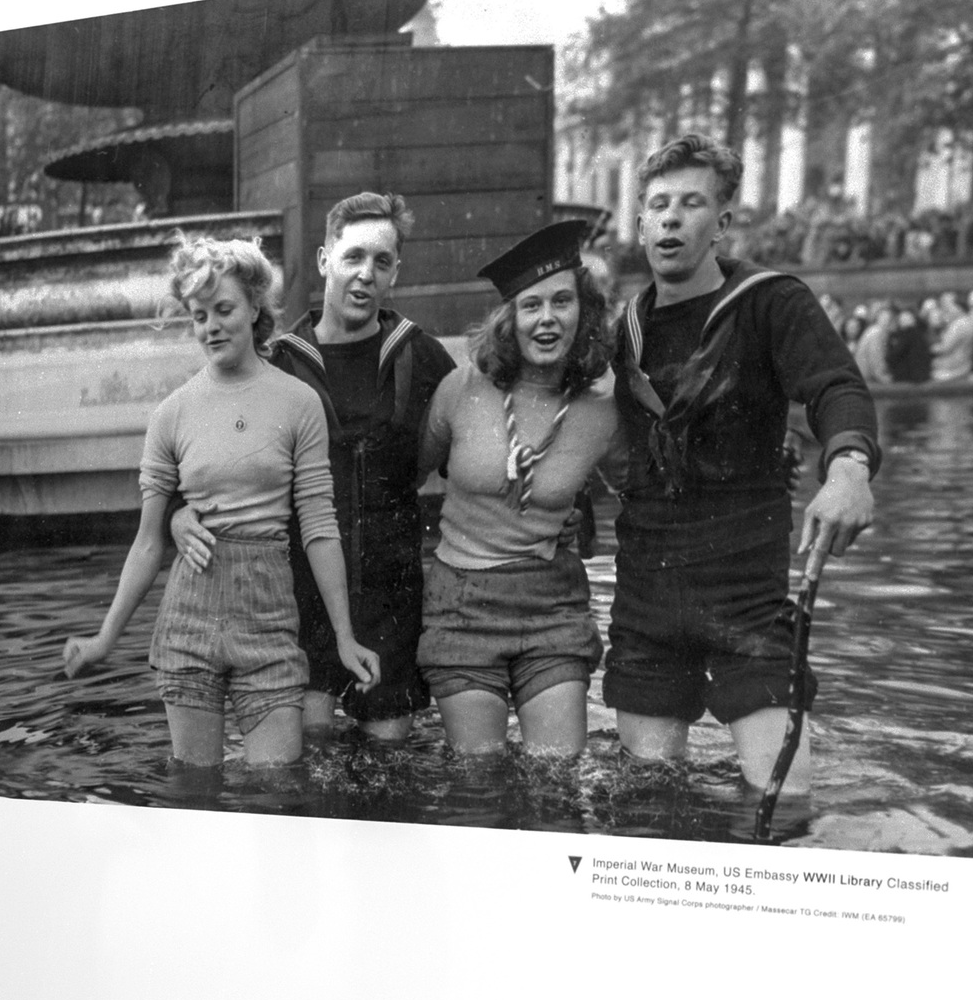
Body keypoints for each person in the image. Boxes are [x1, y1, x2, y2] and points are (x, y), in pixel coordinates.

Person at [602, 133, 880, 794]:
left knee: (785, 799)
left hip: (746, 591)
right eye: (659, 204)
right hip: (647, 588)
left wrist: (848, 470)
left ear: (722, 222)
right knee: (647, 806)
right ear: (641, 222)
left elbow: (837, 387)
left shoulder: (771, 303)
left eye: (691, 204)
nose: (671, 217)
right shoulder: (624, 332)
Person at [61, 235, 377, 767]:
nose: (210, 326)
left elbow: (320, 526)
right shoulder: (171, 413)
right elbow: (147, 543)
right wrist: (103, 638)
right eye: (198, 315)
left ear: (255, 306)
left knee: (277, 791)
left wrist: (345, 637)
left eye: (224, 309)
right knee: (193, 791)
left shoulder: (299, 402)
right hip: (189, 616)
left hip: (270, 617)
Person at [416, 221, 623, 755]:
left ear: (585, 310)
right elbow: (405, 482)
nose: (548, 319)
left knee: (557, 779)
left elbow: (642, 491)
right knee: (479, 781)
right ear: (510, 319)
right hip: (462, 603)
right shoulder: (460, 390)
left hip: (551, 603)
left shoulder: (604, 408)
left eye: (562, 302)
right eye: (531, 306)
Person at [262, 191, 458, 743]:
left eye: (381, 262)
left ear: (396, 272)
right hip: (300, 597)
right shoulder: (279, 362)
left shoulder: (420, 357)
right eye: (352, 257)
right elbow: (221, 448)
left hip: (389, 595)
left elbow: (472, 442)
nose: (365, 274)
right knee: (308, 755)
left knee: (389, 757)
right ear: (325, 261)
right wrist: (180, 514)